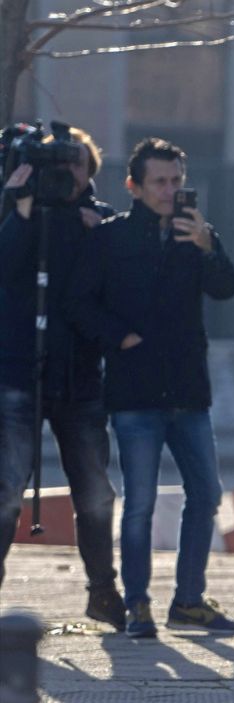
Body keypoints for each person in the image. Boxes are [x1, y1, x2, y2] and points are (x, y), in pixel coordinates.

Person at [67, 137, 234, 638]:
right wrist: (118, 337)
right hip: (135, 392)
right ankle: (138, 603)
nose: (170, 191)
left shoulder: (197, 234)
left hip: (189, 390)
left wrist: (208, 247)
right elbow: (78, 303)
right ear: (134, 186)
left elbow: (227, 288)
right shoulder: (111, 238)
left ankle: (188, 600)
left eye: (176, 181)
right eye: (160, 182)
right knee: (139, 503)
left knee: (206, 493)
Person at [0, 126, 124, 631]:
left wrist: (96, 233)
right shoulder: (16, 212)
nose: (66, 172)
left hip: (78, 379)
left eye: (76, 162)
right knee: (6, 490)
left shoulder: (103, 221)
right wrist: (20, 213)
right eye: (57, 162)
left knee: (95, 491)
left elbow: (109, 290)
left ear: (90, 170)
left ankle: (102, 591)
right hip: (15, 373)